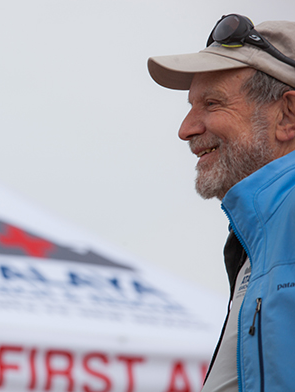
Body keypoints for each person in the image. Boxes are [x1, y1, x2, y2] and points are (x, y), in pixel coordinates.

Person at [147, 14, 295, 391]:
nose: (186, 129)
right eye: (191, 105)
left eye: (212, 103)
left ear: (288, 115)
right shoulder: (261, 237)